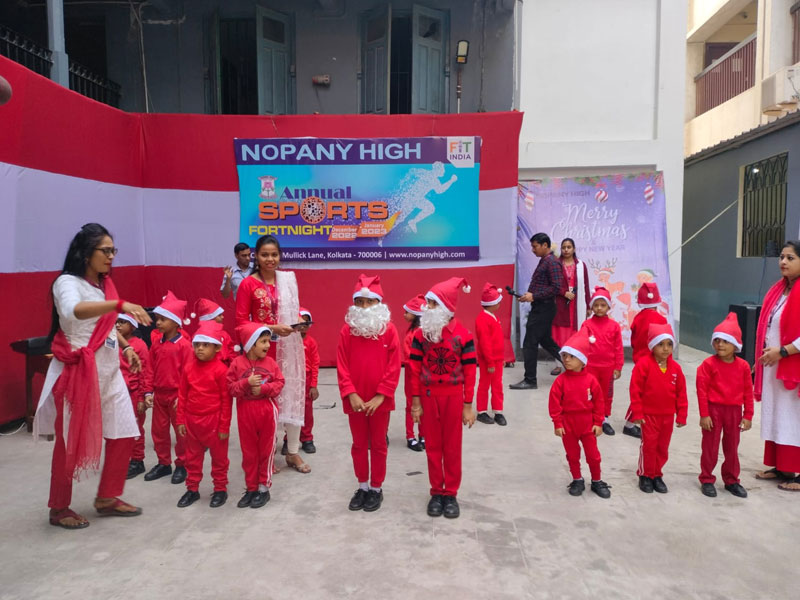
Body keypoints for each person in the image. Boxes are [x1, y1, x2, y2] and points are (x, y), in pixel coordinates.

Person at [35, 223, 150, 529]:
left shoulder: (103, 285)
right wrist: (119, 303)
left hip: (110, 374)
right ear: (87, 253)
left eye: (113, 250)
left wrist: (126, 347)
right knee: (68, 444)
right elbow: (74, 311)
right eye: (105, 250)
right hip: (77, 375)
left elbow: (105, 324)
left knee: (124, 432)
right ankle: (59, 507)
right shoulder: (66, 283)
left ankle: (107, 497)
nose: (111, 256)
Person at [235, 235, 309, 473]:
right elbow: (240, 322)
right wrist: (272, 328)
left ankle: (293, 452)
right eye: (265, 255)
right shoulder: (248, 284)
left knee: (292, 395)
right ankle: (267, 454)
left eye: (274, 254)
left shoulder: (287, 281)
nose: (270, 259)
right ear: (256, 256)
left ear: (280, 256)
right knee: (268, 400)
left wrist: (299, 320)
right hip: (262, 351)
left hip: (289, 348)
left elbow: (292, 309)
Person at [409, 277, 477, 519]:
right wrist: (415, 403)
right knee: (433, 446)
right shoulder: (420, 336)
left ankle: (451, 493)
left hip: (454, 396)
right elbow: (414, 370)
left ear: (447, 306)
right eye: (428, 303)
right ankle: (436, 491)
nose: (427, 307)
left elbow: (470, 372)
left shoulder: (464, 336)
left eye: (433, 303)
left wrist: (468, 405)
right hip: (429, 397)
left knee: (452, 446)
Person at [337, 275, 401, 512]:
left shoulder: (389, 330)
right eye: (359, 302)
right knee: (359, 444)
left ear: (379, 304)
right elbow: (342, 364)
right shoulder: (347, 331)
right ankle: (362, 485)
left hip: (379, 401)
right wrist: (350, 393)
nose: (364, 307)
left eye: (369, 302)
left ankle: (376, 488)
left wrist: (381, 395)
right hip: (355, 400)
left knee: (379, 444)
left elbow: (394, 365)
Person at [754, 240, 800, 491]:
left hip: (792, 366)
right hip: (774, 366)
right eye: (782, 257)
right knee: (777, 415)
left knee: (794, 417)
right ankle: (782, 467)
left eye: (790, 258)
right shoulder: (779, 290)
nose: (783, 262)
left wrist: (782, 352)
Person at [227, 323, 285, 508]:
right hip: (246, 412)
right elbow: (230, 388)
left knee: (266, 451)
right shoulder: (237, 364)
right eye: (263, 341)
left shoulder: (270, 363)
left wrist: (264, 388)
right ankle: (251, 488)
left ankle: (263, 488)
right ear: (251, 344)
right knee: (249, 453)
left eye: (268, 341)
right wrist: (246, 383)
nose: (268, 345)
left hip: (267, 411)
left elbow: (280, 382)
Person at [175, 321, 232, 508]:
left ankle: (220, 489)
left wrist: (224, 426)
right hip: (192, 421)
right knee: (192, 457)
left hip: (214, 421)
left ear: (217, 348)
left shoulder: (221, 371)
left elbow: (226, 401)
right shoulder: (188, 368)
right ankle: (192, 489)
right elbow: (182, 395)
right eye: (197, 344)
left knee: (219, 458)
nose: (200, 348)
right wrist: (181, 420)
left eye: (205, 345)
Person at [548, 329, 610, 499]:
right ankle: (577, 479)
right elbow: (554, 404)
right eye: (564, 356)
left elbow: (599, 403)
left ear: (582, 360)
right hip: (568, 424)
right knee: (572, 455)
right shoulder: (560, 382)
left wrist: (598, 422)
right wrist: (557, 423)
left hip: (587, 424)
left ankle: (597, 480)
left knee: (593, 455)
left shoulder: (591, 381)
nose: (566, 360)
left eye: (572, 356)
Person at [696, 313, 753, 498]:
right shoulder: (707, 365)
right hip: (713, 411)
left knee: (732, 447)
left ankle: (731, 480)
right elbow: (702, 391)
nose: (720, 344)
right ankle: (707, 478)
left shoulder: (743, 367)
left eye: (726, 341)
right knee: (710, 447)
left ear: (735, 345)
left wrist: (748, 415)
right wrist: (704, 414)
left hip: (734, 412)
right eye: (717, 340)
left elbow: (748, 392)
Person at [629, 323, 688, 494]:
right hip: (649, 416)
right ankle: (645, 474)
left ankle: (657, 474)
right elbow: (635, 391)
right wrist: (637, 412)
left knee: (662, 447)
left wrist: (682, 414)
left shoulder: (676, 369)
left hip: (667, 416)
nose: (665, 349)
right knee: (649, 445)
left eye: (669, 344)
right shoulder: (643, 365)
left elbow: (681, 393)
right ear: (652, 345)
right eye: (660, 344)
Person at [144, 291, 193, 484]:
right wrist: (148, 391)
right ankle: (163, 463)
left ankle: (183, 464)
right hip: (159, 396)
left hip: (177, 397)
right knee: (159, 431)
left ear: (175, 322)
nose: (158, 323)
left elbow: (189, 374)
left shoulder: (185, 346)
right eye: (157, 319)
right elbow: (150, 369)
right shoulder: (156, 344)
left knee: (181, 433)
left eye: (163, 319)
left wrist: (184, 396)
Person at [510, 233, 565, 390]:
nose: (533, 250)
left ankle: (530, 380)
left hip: (544, 308)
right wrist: (529, 296)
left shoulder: (552, 262)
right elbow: (544, 286)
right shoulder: (545, 261)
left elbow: (556, 288)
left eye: (535, 246)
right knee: (546, 341)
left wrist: (534, 296)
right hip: (541, 306)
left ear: (545, 245)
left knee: (529, 343)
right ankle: (576, 365)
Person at [622, 281, 668, 438]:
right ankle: (629, 424)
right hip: (654, 362)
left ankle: (637, 421)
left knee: (640, 393)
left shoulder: (637, 318)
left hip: (639, 361)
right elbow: (664, 343)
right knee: (644, 395)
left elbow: (633, 341)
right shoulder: (661, 320)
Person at [580, 287, 623, 436]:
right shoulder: (586, 325)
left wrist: (618, 367)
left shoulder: (614, 326)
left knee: (606, 394)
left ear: (608, 307)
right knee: (589, 392)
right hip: (590, 367)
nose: (599, 308)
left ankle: (604, 419)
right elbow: (581, 345)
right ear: (592, 307)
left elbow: (618, 348)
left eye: (603, 305)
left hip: (608, 368)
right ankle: (590, 417)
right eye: (596, 305)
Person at [116, 314, 154, 480]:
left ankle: (137, 461)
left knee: (135, 428)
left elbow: (145, 372)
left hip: (133, 393)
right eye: (116, 322)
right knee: (119, 429)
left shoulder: (139, 345)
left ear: (132, 326)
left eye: (122, 322)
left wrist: (142, 397)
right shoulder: (113, 343)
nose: (118, 325)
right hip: (116, 394)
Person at [551, 238, 591, 375]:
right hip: (560, 304)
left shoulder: (581, 265)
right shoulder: (556, 264)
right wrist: (564, 292)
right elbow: (552, 284)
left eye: (569, 247)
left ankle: (576, 363)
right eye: (564, 247)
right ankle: (558, 364)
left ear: (574, 249)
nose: (566, 250)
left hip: (577, 304)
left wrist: (588, 304)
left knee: (576, 333)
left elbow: (586, 285)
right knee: (559, 334)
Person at [475, 283, 507, 426]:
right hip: (489, 360)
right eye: (498, 301)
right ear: (492, 304)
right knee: (485, 384)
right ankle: (481, 411)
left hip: (497, 359)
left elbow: (497, 341)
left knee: (497, 385)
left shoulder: (493, 317)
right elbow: (485, 343)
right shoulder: (483, 319)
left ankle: (498, 411)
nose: (500, 304)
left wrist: (501, 359)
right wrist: (490, 362)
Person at [401, 294, 426, 451]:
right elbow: (408, 356)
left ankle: (423, 434)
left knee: (424, 405)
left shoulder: (423, 333)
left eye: (407, 312)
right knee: (411, 404)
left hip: (423, 375)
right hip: (412, 374)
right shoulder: (410, 334)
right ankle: (410, 436)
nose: (404, 315)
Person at [298, 307, 320, 453]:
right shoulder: (288, 342)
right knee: (292, 409)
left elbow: (315, 364)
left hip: (306, 380)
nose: (304, 326)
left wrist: (313, 385)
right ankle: (289, 438)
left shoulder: (311, 342)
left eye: (307, 323)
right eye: (301, 323)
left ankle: (307, 438)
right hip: (293, 379)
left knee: (307, 411)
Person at [193, 298, 237, 365]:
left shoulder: (224, 334)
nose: (223, 317)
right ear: (210, 318)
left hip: (224, 367)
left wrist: (233, 366)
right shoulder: (198, 336)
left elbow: (231, 352)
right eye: (219, 315)